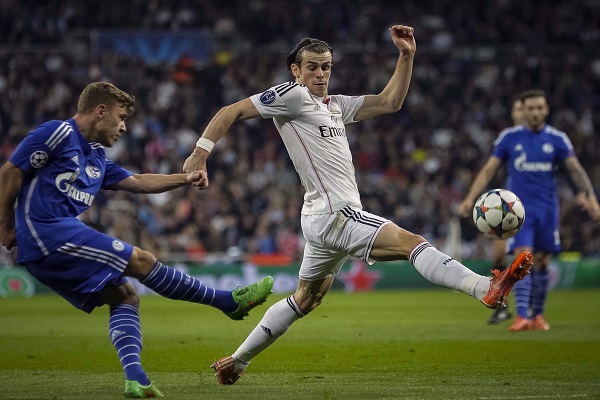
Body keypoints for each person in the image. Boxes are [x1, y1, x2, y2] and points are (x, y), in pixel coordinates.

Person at [183, 25, 532, 385]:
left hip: (319, 220)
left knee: (306, 299)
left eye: (326, 67)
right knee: (410, 242)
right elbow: (231, 110)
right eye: (313, 67)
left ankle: (237, 362)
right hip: (335, 216)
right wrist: (200, 153)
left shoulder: (336, 106)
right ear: (296, 71)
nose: (320, 74)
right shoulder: (291, 96)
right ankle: (482, 288)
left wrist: (406, 55)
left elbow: (390, 101)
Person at [0, 82, 274, 398]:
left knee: (125, 296)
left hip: (51, 244)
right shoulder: (58, 134)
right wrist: (5, 226)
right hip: (44, 231)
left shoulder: (97, 157)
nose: (124, 126)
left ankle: (136, 379)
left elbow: (139, 182)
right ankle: (228, 301)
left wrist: (185, 178)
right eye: (120, 117)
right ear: (100, 111)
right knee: (141, 260)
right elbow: (10, 172)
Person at [458, 89, 600, 332]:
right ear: (524, 110)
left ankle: (538, 316)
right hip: (518, 212)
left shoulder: (558, 139)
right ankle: (521, 316)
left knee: (543, 261)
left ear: (546, 110)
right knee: (522, 259)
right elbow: (488, 169)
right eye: (530, 108)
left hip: (548, 209)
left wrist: (592, 199)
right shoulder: (509, 138)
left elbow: (576, 171)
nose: (534, 112)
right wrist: (471, 197)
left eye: (539, 107)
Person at [486, 97, 526, 325]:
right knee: (498, 256)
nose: (522, 113)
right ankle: (502, 306)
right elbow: (492, 167)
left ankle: (529, 309)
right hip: (510, 206)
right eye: (518, 109)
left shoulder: (546, 137)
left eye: (524, 109)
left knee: (531, 259)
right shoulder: (508, 138)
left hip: (534, 206)